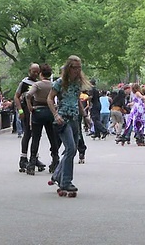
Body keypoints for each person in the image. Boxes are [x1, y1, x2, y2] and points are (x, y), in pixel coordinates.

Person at [47, 55, 92, 196]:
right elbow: (49, 98)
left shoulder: (77, 84)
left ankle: (56, 175)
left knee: (70, 151)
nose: (78, 70)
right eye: (75, 67)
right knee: (71, 148)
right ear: (68, 68)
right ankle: (66, 181)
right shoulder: (60, 83)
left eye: (79, 67)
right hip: (62, 119)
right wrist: (55, 114)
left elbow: (77, 100)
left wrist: (85, 116)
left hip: (74, 119)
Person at [25, 64, 60, 175]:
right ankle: (55, 160)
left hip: (38, 111)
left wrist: (30, 107)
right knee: (52, 137)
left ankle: (32, 162)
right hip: (50, 111)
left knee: (36, 137)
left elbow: (28, 95)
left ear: (41, 74)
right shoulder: (53, 85)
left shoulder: (37, 84)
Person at [15, 63, 41, 172]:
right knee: (28, 133)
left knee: (36, 134)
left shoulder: (39, 83)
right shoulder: (24, 83)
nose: (35, 73)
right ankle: (23, 158)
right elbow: (16, 97)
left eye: (37, 71)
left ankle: (34, 157)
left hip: (37, 110)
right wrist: (20, 110)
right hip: (27, 110)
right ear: (29, 71)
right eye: (33, 71)